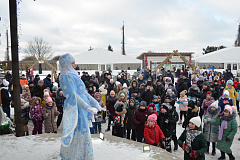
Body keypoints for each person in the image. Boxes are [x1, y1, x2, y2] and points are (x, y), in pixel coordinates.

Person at [59, 53, 101, 160]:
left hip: (82, 108)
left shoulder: (73, 75)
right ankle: (76, 156)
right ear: (66, 64)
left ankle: (83, 154)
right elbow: (73, 95)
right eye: (72, 63)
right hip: (75, 108)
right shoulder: (66, 76)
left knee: (83, 130)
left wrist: (95, 103)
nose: (75, 65)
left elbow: (83, 93)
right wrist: (86, 107)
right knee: (78, 130)